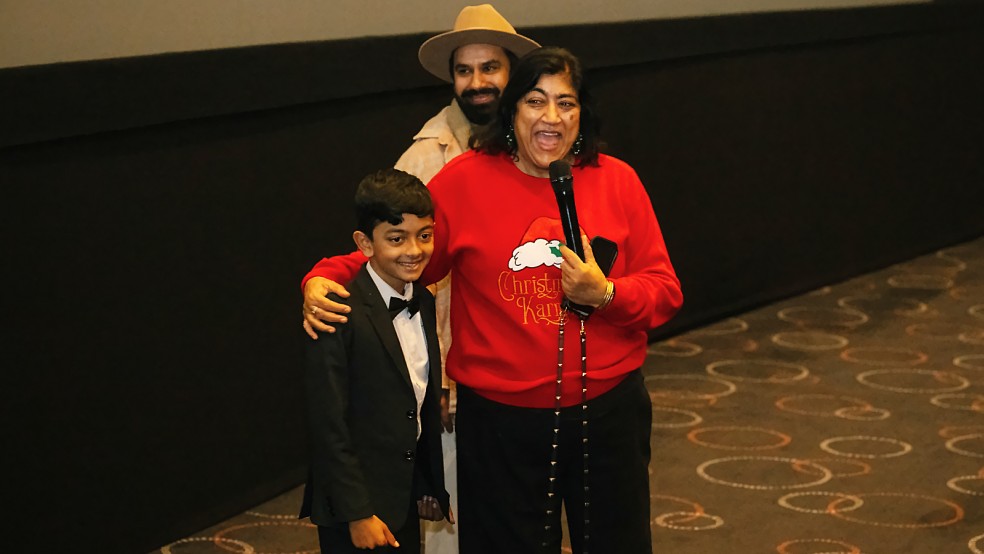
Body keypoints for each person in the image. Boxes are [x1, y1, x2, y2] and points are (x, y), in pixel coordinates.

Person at [301, 47, 683, 554]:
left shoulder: (618, 180)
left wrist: (606, 294)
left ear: (581, 114)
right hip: (503, 424)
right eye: (535, 101)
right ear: (511, 111)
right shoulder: (464, 182)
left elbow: (664, 290)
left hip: (608, 415)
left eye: (566, 104)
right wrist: (322, 276)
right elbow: (403, 252)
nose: (552, 118)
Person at [301, 5, 538, 552]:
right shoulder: (429, 156)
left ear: (512, 73)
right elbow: (386, 249)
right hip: (452, 375)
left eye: (490, 68)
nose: (476, 82)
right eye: (464, 70)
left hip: (519, 374)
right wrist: (318, 278)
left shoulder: (539, 147)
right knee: (444, 532)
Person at [299, 169, 452, 552]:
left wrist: (427, 482)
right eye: (396, 239)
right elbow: (328, 425)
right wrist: (358, 513)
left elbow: (414, 401)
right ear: (365, 243)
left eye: (425, 236)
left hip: (401, 495)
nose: (414, 250)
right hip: (357, 504)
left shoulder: (426, 300)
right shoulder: (336, 314)